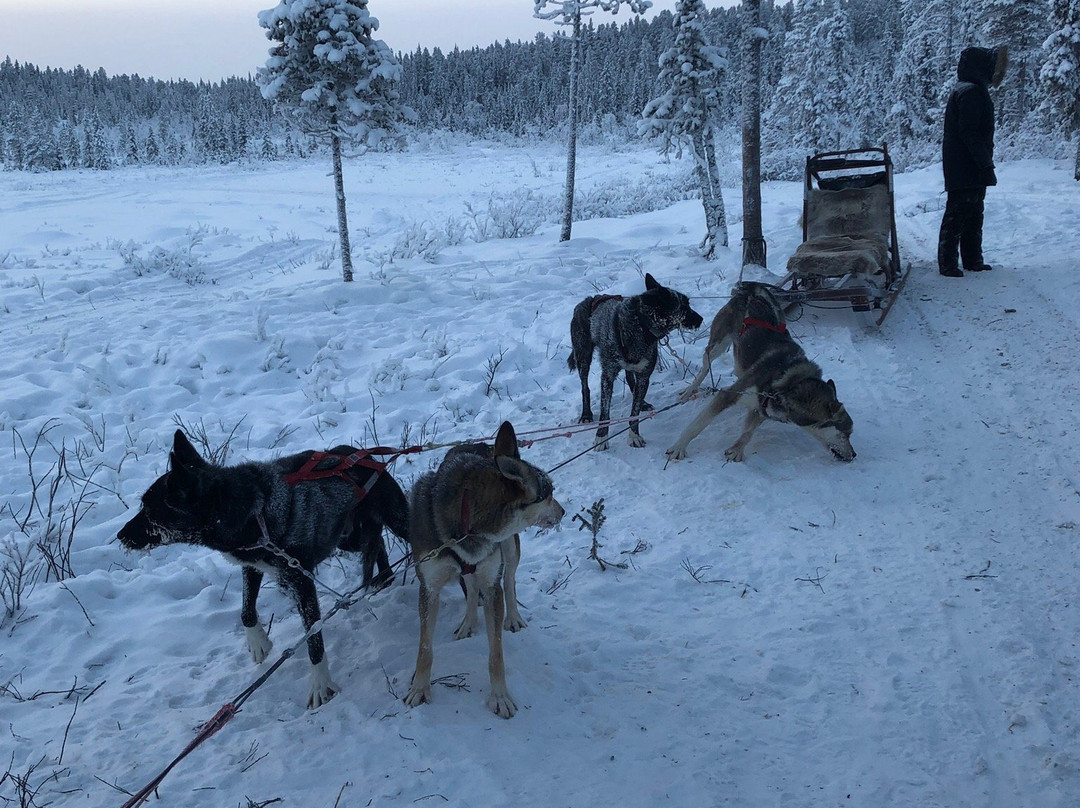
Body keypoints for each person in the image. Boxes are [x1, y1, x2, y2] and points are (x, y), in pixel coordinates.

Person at [938, 46, 1008, 277]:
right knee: (958, 212)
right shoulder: (970, 93)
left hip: (967, 163)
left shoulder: (970, 89)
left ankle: (972, 259)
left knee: (974, 211)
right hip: (965, 164)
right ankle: (948, 263)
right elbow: (971, 133)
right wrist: (985, 164)